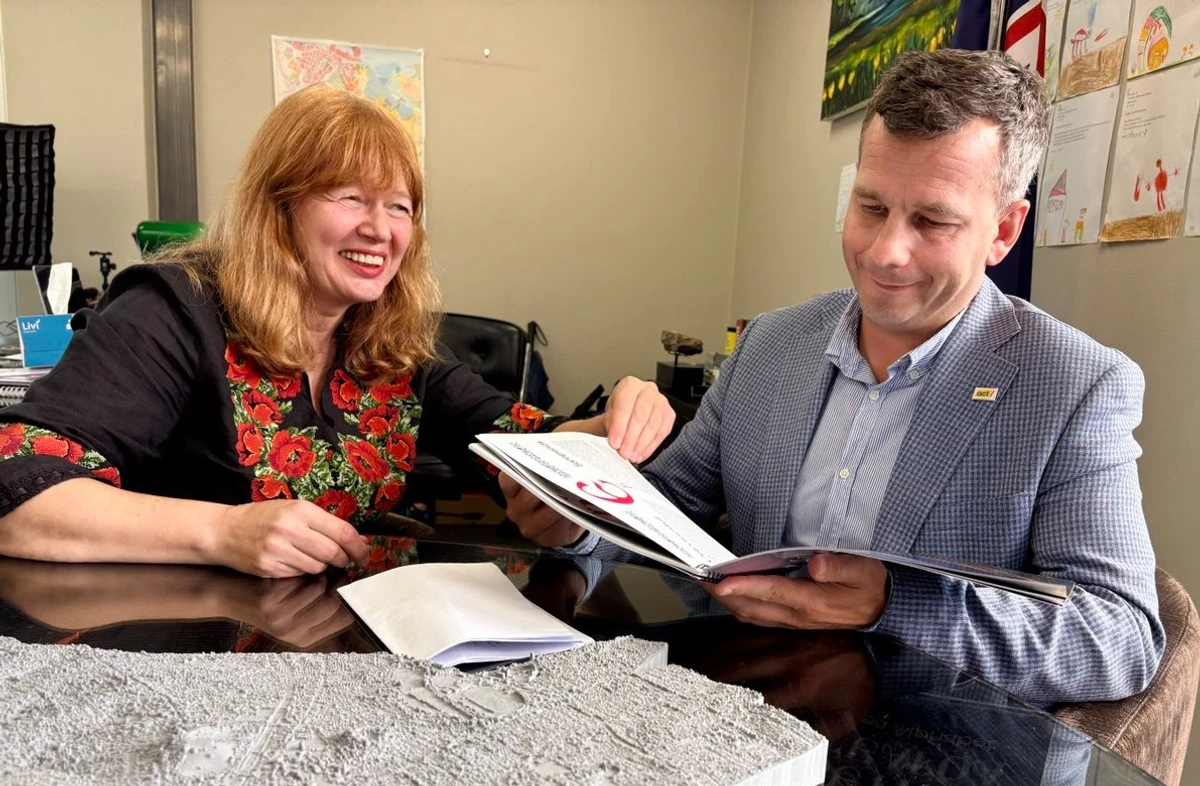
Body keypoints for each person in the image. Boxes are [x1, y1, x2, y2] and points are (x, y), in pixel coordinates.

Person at [507, 49, 1163, 704]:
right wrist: (578, 514)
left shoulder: (1075, 386)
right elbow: (665, 508)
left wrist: (895, 606)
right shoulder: (771, 344)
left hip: (931, 745)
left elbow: (1120, 637)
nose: (885, 252)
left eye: (932, 221)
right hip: (740, 710)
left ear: (1004, 231)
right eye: (871, 207)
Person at [0, 85, 674, 579]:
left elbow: (523, 442)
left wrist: (608, 430)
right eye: (350, 197)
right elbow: (19, 490)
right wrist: (221, 532)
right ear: (279, 205)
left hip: (345, 646)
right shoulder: (174, 312)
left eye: (399, 207)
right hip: (185, 655)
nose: (380, 230)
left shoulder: (389, 345)